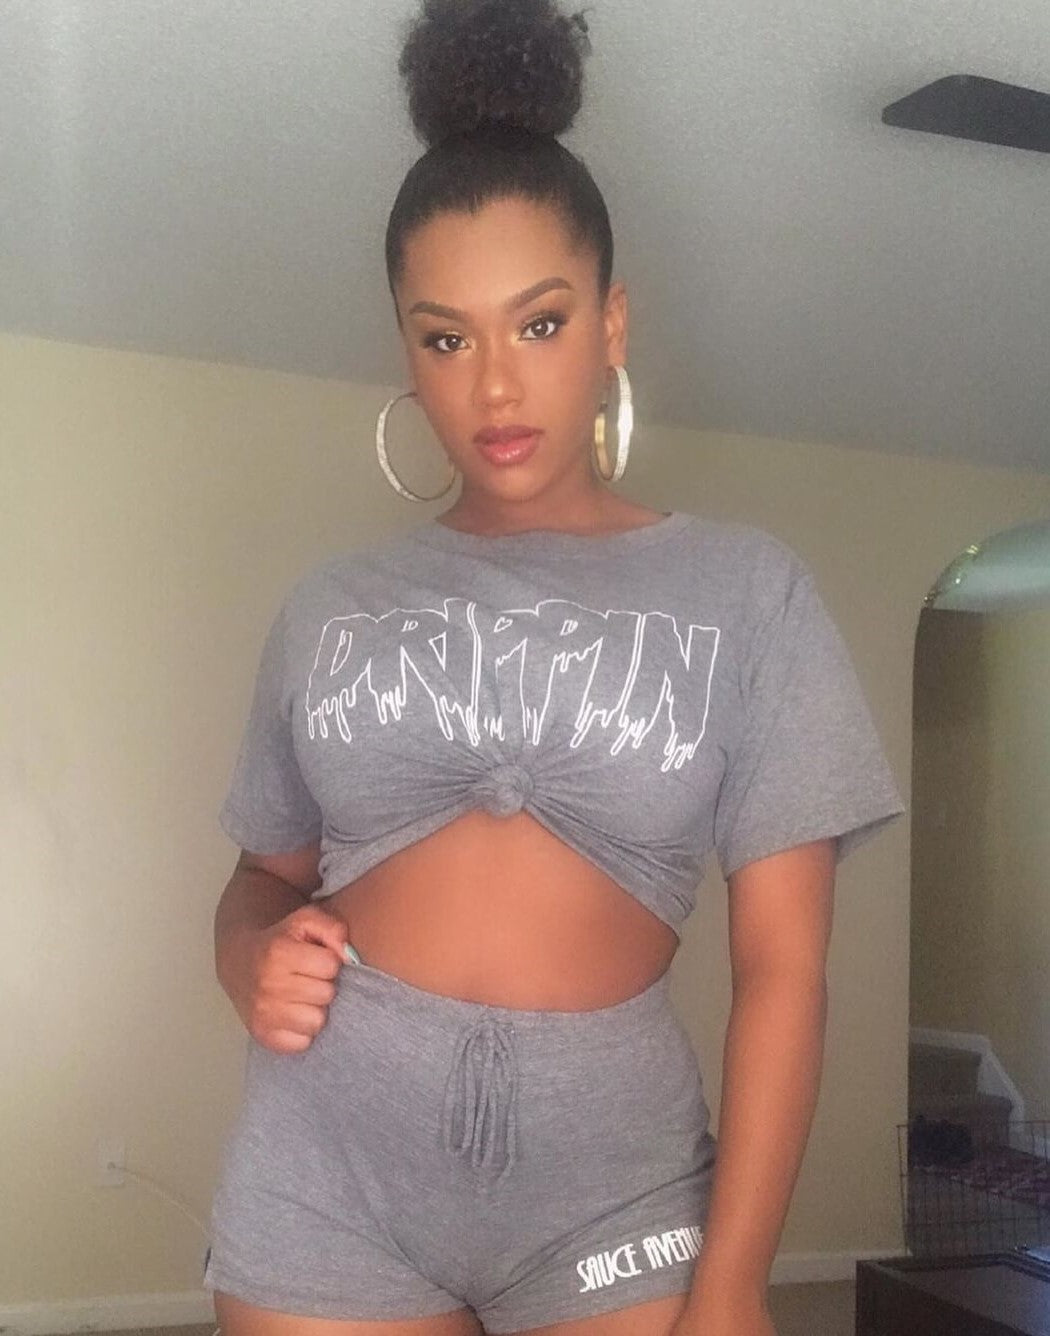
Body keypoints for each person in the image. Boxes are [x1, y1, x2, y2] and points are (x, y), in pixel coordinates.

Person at [202, 2, 905, 1334]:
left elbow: (784, 973)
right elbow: (261, 876)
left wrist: (735, 1285)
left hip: (614, 1190)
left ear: (611, 322)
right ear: (407, 352)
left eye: (538, 323)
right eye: (445, 337)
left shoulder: (747, 592)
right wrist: (244, 956)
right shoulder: (329, 607)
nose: (494, 387)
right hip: (327, 1167)